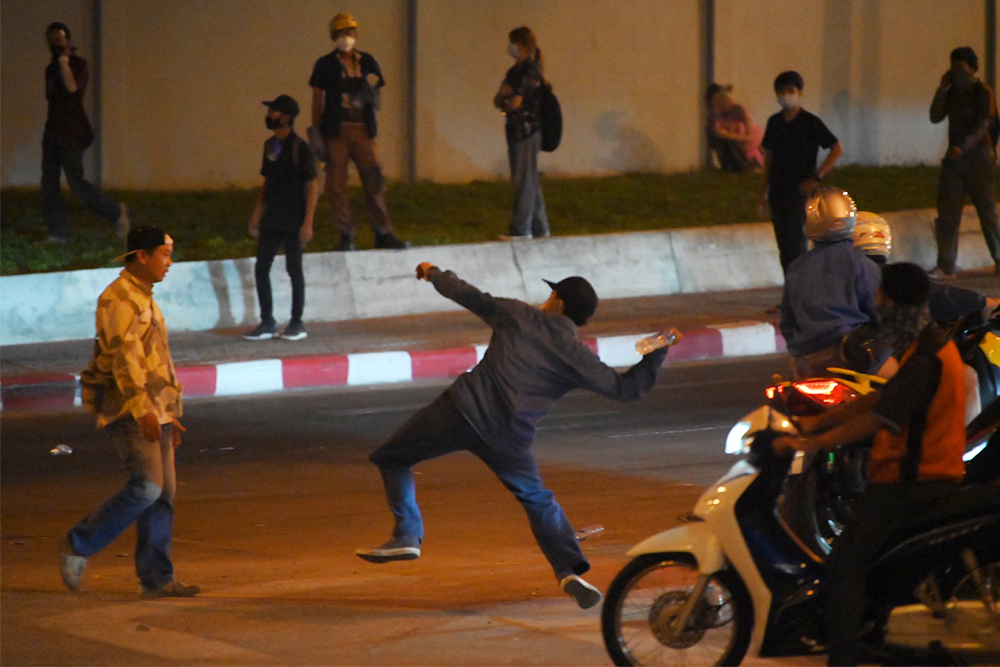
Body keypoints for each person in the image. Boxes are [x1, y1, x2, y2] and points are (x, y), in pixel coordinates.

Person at [356, 264, 678, 609]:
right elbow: (625, 390)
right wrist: (656, 353)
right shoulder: (578, 356)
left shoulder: (518, 314)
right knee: (537, 499)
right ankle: (569, 571)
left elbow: (467, 294)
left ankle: (407, 534)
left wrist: (433, 272)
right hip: (510, 436)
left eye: (551, 294)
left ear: (557, 301)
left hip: (462, 411)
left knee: (392, 458)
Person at [774, 262, 967, 666]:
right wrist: (824, 418)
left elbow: (879, 420)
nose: (877, 306)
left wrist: (810, 441)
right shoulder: (925, 347)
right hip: (912, 481)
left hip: (911, 485)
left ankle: (843, 657)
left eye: (882, 299)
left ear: (895, 304)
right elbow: (879, 398)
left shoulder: (926, 359)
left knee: (844, 565)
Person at [64, 226, 199, 599]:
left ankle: (156, 578)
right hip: (129, 410)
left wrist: (170, 413)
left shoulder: (144, 296)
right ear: (142, 255)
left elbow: (156, 361)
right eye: (165, 254)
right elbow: (124, 360)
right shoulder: (119, 299)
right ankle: (79, 543)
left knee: (164, 494)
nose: (169, 263)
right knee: (147, 488)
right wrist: (143, 410)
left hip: (157, 413)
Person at [308, 12, 408, 252]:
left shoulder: (367, 61)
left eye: (350, 32)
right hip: (336, 130)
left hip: (362, 128)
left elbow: (377, 95)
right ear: (335, 36)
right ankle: (346, 235)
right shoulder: (325, 64)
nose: (347, 37)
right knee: (336, 183)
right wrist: (316, 132)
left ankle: (382, 232)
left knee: (374, 178)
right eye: (342, 33)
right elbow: (317, 99)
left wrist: (366, 94)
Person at [41, 21, 128, 245]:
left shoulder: (78, 64)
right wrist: (57, 65)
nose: (56, 43)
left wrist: (64, 63)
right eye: (52, 40)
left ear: (68, 40)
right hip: (53, 133)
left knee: (76, 182)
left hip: (73, 133)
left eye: (59, 39)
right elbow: (52, 95)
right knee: (49, 183)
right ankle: (58, 232)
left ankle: (116, 213)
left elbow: (72, 88)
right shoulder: (50, 69)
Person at [780, 188, 880, 379]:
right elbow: (880, 309)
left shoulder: (796, 267)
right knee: (899, 376)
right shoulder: (860, 263)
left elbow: (787, 320)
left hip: (805, 360)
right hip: (848, 355)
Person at [243, 95, 318, 342]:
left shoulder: (300, 147)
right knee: (261, 267)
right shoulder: (269, 146)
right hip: (273, 218)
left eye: (275, 112)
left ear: (286, 117)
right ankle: (267, 322)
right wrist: (257, 211)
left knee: (294, 269)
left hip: (294, 219)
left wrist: (308, 221)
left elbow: (311, 185)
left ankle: (297, 322)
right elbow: (267, 181)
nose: (270, 116)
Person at [758, 71, 844, 273]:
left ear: (799, 93)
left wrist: (816, 176)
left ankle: (802, 292)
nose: (786, 95)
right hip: (779, 190)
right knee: (784, 246)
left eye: (791, 90)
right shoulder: (774, 123)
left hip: (800, 191)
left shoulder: (810, 122)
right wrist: (763, 191)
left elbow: (836, 148)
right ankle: (790, 293)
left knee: (797, 243)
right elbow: (769, 159)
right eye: (781, 91)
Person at [928, 46, 1000, 278]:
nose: (957, 73)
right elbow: (935, 116)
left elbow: (984, 124)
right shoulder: (951, 92)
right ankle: (946, 265)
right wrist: (942, 90)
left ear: (972, 68)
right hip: (954, 160)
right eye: (953, 67)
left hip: (979, 159)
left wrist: (963, 146)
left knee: (987, 212)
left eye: (961, 67)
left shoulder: (982, 91)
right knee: (948, 214)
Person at [494, 26, 550, 240]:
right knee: (529, 179)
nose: (510, 48)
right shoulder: (514, 71)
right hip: (515, 130)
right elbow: (498, 99)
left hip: (527, 131)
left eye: (512, 43)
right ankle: (540, 227)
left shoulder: (530, 71)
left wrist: (506, 101)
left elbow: (514, 103)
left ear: (520, 45)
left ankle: (521, 229)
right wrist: (505, 100)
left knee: (523, 180)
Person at [705, 83, 764, 172]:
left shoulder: (739, 110)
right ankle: (728, 166)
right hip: (738, 148)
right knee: (714, 134)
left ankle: (748, 166)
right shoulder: (720, 116)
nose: (714, 108)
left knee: (729, 140)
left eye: (718, 103)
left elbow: (751, 138)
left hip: (750, 150)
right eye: (713, 105)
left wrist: (729, 135)